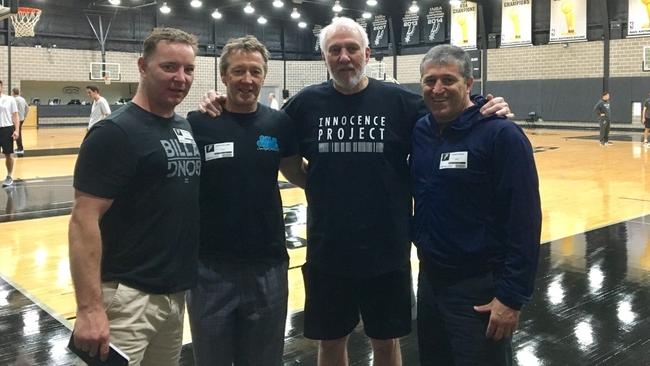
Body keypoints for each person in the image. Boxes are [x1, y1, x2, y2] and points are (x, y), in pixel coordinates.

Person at [200, 17, 511, 366]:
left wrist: (486, 104)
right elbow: (271, 138)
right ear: (324, 57)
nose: (344, 56)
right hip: (328, 251)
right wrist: (219, 103)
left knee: (386, 342)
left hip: (387, 251)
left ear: (367, 53)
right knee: (330, 342)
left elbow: (451, 107)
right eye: (335, 50)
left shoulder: (399, 102)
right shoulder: (305, 105)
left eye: (351, 49)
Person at [68, 27, 201, 365]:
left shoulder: (183, 127)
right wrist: (89, 308)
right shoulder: (114, 132)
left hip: (173, 297)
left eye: (188, 69)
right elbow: (84, 219)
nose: (181, 78)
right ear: (143, 66)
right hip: (127, 299)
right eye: (169, 67)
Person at [411, 44, 542, 366]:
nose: (438, 89)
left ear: (469, 84)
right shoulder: (421, 130)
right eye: (430, 81)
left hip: (480, 289)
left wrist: (511, 297)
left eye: (448, 80)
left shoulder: (502, 135)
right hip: (430, 281)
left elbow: (524, 220)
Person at [186, 35, 304, 366]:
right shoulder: (198, 123)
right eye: (239, 71)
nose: (247, 80)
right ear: (223, 76)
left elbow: (297, 172)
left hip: (267, 265)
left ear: (264, 75)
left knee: (265, 360)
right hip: (209, 267)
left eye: (255, 71)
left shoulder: (278, 123)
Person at [0, 80, 20, 188]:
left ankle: (9, 176)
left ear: (1, 87)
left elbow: (15, 115)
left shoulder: (9, 99)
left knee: (8, 154)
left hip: (6, 129)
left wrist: (16, 130)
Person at [11, 88, 28, 157]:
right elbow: (27, 108)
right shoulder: (23, 99)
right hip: (22, 119)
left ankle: (20, 148)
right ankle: (19, 147)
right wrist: (24, 115)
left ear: (13, 92)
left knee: (17, 133)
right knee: (17, 132)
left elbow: (12, 110)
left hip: (16, 120)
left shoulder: (14, 100)